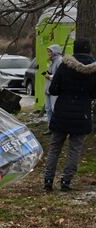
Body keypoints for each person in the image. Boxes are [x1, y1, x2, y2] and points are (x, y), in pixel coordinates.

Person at [43, 38, 96, 192]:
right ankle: (66, 181)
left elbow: (53, 89)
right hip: (82, 114)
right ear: (89, 50)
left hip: (62, 113)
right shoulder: (93, 70)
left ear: (74, 50)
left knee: (55, 148)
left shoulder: (65, 66)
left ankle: (48, 179)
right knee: (75, 149)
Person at [43, 44, 64, 126]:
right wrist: (48, 74)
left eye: (50, 51)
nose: (48, 53)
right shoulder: (51, 61)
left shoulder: (59, 60)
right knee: (48, 109)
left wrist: (50, 77)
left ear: (55, 51)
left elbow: (60, 76)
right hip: (48, 88)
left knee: (54, 108)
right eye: (48, 52)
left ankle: (57, 127)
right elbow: (53, 73)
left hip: (55, 89)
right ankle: (50, 126)